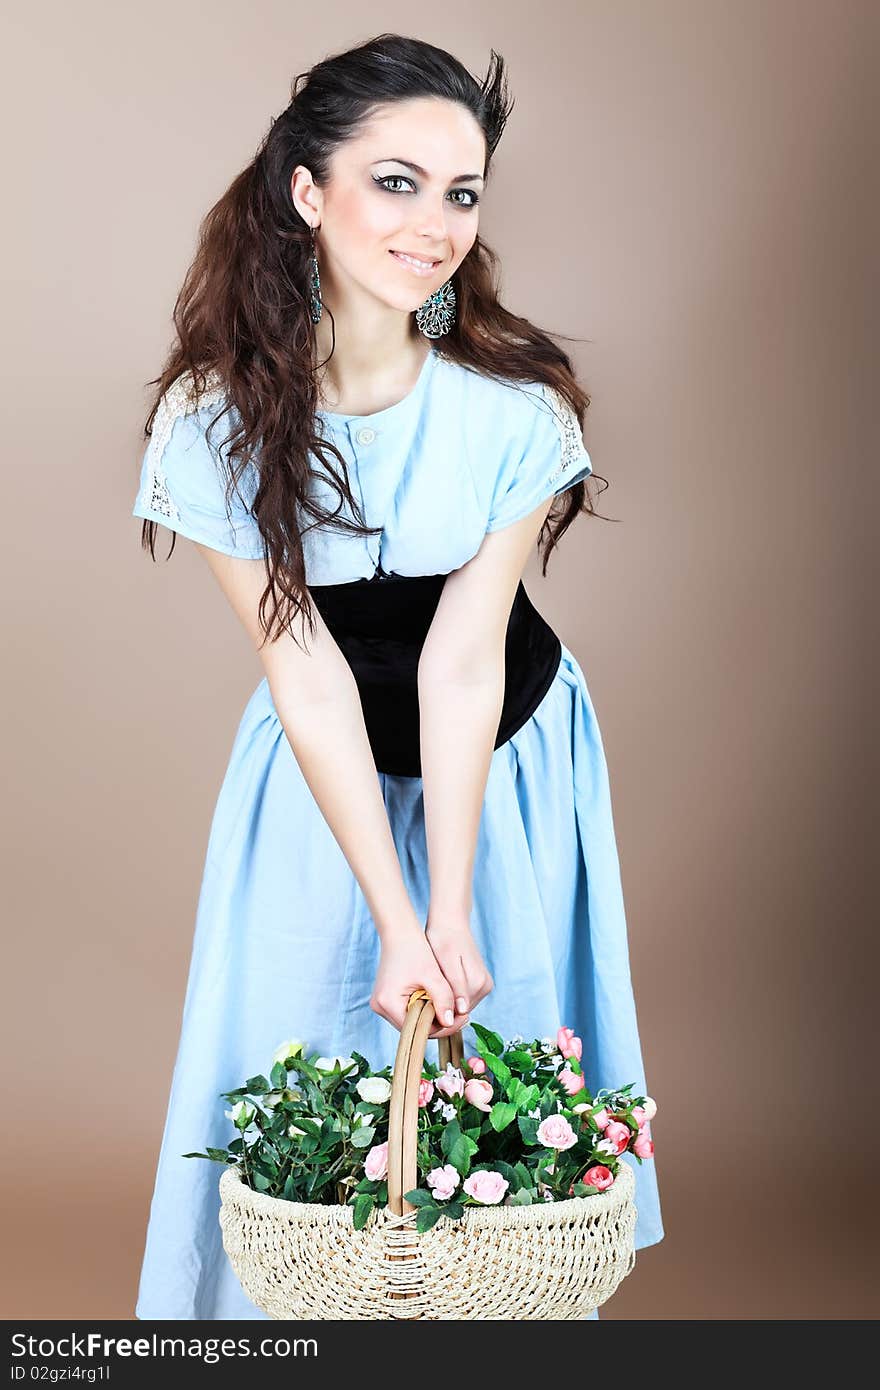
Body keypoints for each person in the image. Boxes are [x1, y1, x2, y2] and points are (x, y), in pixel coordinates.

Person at [131, 33, 664, 1321]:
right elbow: (303, 668)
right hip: (326, 771)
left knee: (496, 1061)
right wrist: (392, 909)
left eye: (461, 192)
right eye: (396, 182)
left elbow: (464, 657)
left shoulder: (515, 412)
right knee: (304, 1068)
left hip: (506, 750)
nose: (434, 225)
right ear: (308, 193)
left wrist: (454, 903)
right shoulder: (210, 421)